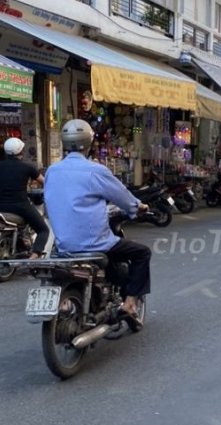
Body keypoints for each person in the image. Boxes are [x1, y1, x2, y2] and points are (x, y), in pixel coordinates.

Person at [44, 119, 151, 319]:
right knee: (142, 253)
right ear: (89, 142)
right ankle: (129, 304)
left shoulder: (52, 171)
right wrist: (138, 207)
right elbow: (123, 196)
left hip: (64, 245)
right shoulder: (95, 170)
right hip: (95, 244)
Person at [0, 137, 49, 260]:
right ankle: (35, 255)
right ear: (21, 152)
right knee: (43, 229)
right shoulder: (27, 167)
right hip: (20, 205)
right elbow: (45, 182)